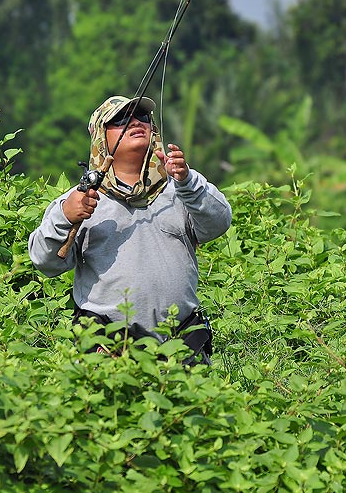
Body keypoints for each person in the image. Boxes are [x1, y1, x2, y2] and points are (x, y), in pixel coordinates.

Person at [28, 95, 232, 362]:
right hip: (106, 353)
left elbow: (218, 223)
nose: (136, 122)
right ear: (102, 137)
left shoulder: (180, 189)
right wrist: (65, 215)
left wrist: (187, 180)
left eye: (143, 117)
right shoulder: (82, 199)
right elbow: (46, 263)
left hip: (181, 350)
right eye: (122, 119)